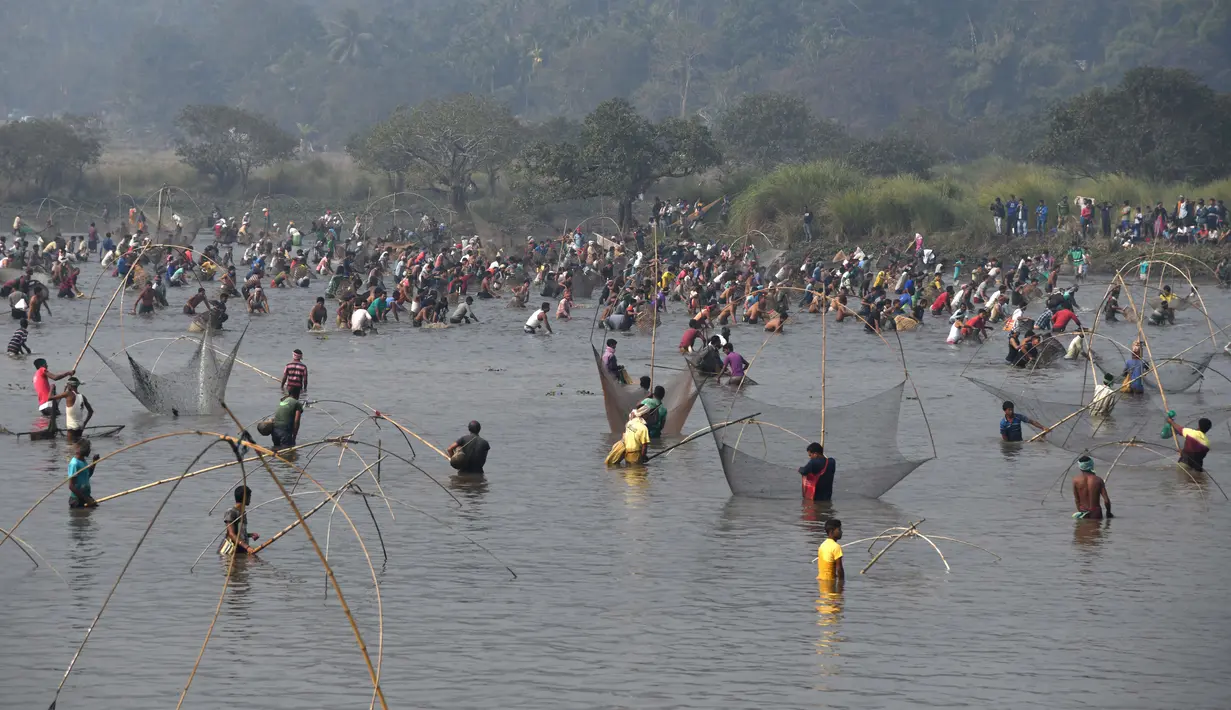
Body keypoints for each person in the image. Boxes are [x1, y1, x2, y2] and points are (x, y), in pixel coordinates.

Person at [49, 376, 93, 443]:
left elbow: (49, 398)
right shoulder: (82, 396)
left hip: (71, 428)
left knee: (70, 448)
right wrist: (84, 423)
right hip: (80, 426)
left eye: (67, 385)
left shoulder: (68, 393)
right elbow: (91, 411)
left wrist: (51, 388)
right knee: (78, 445)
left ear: (70, 385)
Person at [220, 485, 259, 555]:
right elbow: (231, 534)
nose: (250, 499)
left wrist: (250, 535)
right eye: (249, 496)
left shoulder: (243, 513)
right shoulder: (231, 512)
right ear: (244, 497)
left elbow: (239, 533)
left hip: (241, 550)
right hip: (231, 552)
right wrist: (247, 547)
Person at [67, 439, 99, 509]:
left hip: (86, 496)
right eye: (87, 448)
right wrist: (86, 499)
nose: (89, 450)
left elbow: (87, 475)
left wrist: (94, 463)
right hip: (77, 499)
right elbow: (71, 486)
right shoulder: (74, 464)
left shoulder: (83, 461)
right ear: (78, 449)